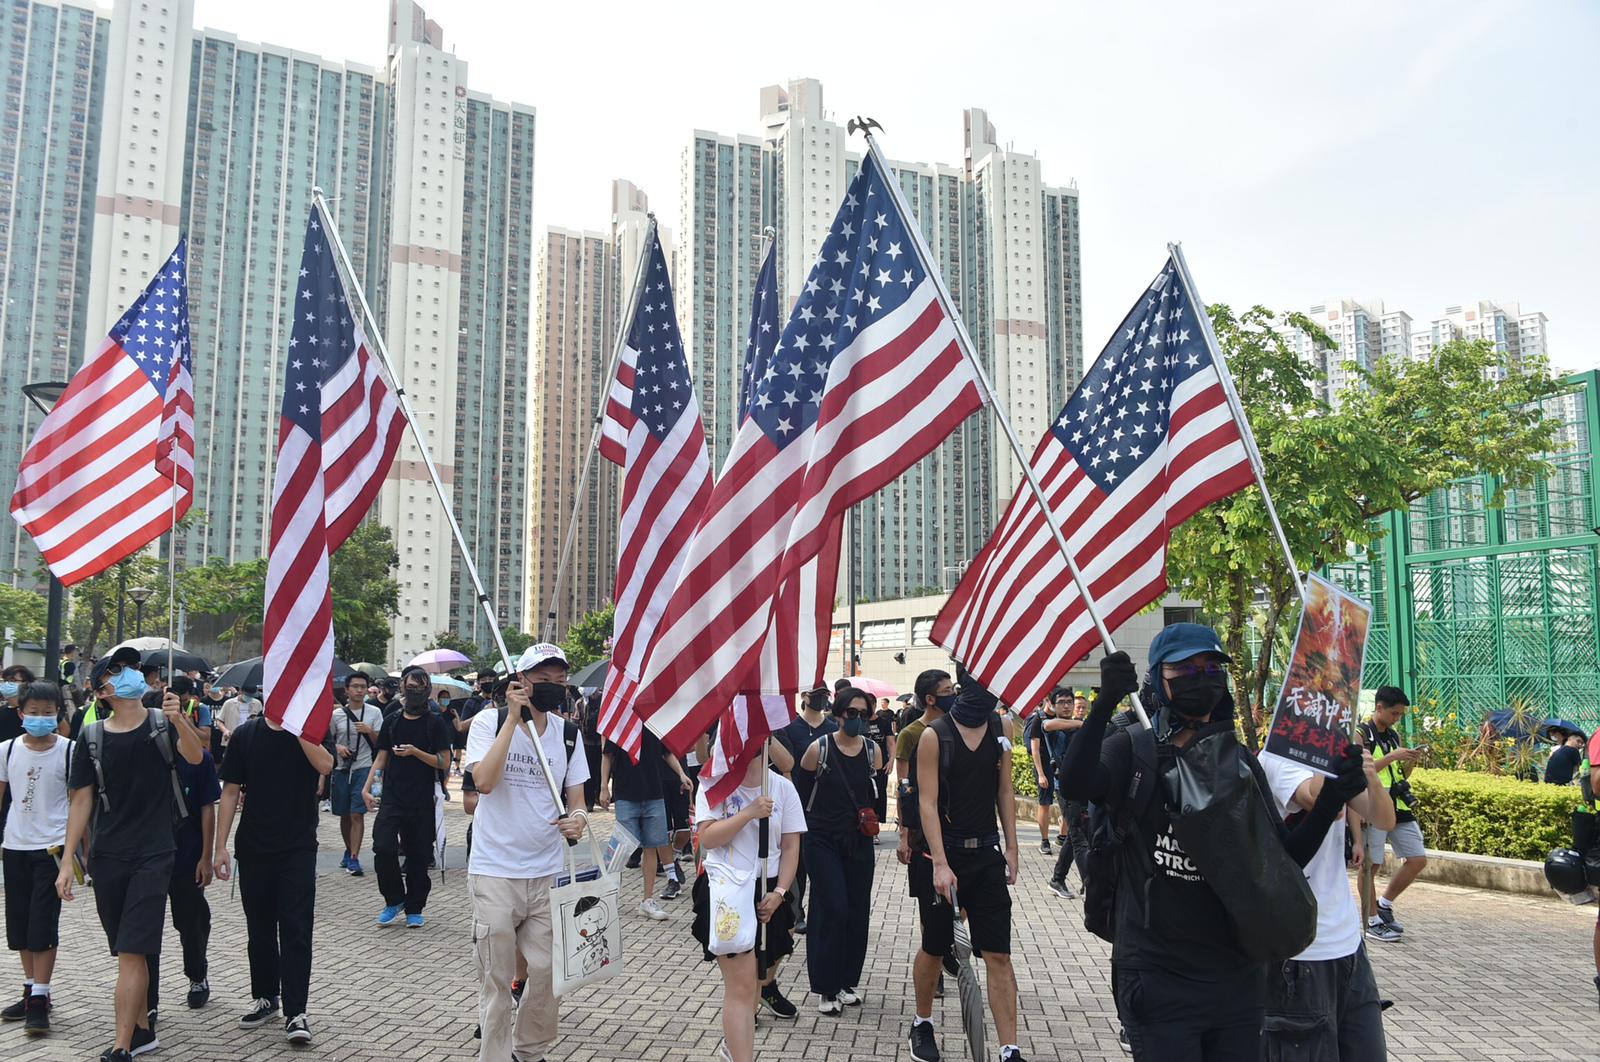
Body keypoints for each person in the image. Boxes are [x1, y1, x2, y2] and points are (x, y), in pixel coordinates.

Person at [1057, 626, 1365, 1061]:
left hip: (1238, 981)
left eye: (1210, 667)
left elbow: (1285, 858)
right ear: (1158, 680)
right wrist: (1104, 701)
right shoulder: (1135, 751)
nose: (1199, 676)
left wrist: (1332, 797)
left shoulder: (1238, 761)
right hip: (1159, 979)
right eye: (1183, 667)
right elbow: (1075, 781)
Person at [56, 646, 205, 1062]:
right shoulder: (91, 736)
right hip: (108, 856)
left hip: (155, 852)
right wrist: (68, 860)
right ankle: (142, 1030)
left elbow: (195, 757)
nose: (130, 675)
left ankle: (122, 1045)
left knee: (132, 949)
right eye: (116, 670)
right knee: (124, 947)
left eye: (132, 668)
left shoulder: (163, 723)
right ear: (101, 690)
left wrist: (180, 720)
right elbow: (81, 801)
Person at [464, 642, 589, 1062]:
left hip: (547, 870)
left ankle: (529, 1050)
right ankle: (495, 1055)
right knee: (496, 977)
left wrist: (578, 819)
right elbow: (483, 782)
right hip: (495, 869)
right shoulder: (488, 722)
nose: (554, 687)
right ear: (521, 682)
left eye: (560, 680)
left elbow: (578, 800)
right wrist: (512, 720)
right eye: (543, 680)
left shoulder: (569, 734)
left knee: (549, 971)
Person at [907, 670, 1023, 1062]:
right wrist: (939, 862)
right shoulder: (932, 736)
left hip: (986, 855)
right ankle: (923, 1022)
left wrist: (1012, 846)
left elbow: (1004, 789)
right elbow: (926, 803)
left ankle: (1010, 1049)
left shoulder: (1000, 725)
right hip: (944, 856)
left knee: (998, 954)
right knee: (936, 948)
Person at [1260, 733, 1396, 1059]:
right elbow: (1318, 800)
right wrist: (1335, 765)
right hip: (1300, 956)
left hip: (1349, 946)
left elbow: (1384, 818)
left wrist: (1371, 776)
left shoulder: (1336, 758)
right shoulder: (1277, 756)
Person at [213, 700, 334, 1044]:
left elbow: (326, 764)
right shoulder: (246, 734)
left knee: (296, 928)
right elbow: (230, 790)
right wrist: (220, 847)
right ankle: (266, 996)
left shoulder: (308, 731)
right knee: (260, 927)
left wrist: (298, 730)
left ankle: (297, 1012)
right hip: (254, 846)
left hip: (297, 847)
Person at [691, 755, 805, 1060]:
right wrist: (749, 813)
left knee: (756, 981)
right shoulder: (713, 784)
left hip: (770, 891)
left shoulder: (781, 788)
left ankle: (733, 1045)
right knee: (741, 986)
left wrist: (780, 892)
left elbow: (791, 845)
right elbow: (708, 838)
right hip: (728, 890)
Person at [798, 685, 880, 1015]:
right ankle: (825, 986)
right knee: (832, 907)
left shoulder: (873, 751)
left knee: (857, 910)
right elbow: (801, 799)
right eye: (851, 714)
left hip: (858, 839)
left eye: (864, 714)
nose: (857, 719)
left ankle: (847, 981)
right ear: (838, 714)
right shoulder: (818, 750)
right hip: (821, 839)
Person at [0, 682, 74, 1035]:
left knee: (42, 924)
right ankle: (31, 989)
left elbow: (80, 803)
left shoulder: (70, 751)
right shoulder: (7, 749)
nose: (41, 718)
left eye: (48, 712)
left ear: (58, 713)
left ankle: (41, 998)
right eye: (34, 712)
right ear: (20, 713)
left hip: (52, 850)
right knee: (19, 926)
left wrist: (75, 858)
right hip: (14, 847)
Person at [363, 665, 452, 928]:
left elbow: (443, 761)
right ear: (401, 687)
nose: (413, 692)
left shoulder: (435, 722)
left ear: (427, 690)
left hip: (422, 798)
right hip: (392, 796)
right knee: (383, 845)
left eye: (419, 687)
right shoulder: (392, 719)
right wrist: (367, 787)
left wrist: (416, 752)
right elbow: (382, 756)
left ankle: (415, 906)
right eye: (409, 686)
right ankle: (393, 899)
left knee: (418, 854)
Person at [144, 737, 221, 1021]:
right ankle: (148, 999)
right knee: (145, 930)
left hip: (187, 858)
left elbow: (207, 807)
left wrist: (206, 856)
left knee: (192, 924)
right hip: (147, 859)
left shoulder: (198, 759)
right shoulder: (140, 754)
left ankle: (197, 974)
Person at [897, 668, 955, 1004]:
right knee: (929, 906)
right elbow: (904, 789)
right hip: (921, 832)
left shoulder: (955, 729)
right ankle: (932, 973)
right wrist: (904, 835)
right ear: (930, 698)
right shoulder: (911, 733)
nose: (953, 694)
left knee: (957, 905)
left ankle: (945, 950)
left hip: (954, 829)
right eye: (947, 690)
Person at [1359, 686, 1427, 942]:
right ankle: (1372, 921)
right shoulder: (1361, 734)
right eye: (1394, 713)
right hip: (1374, 804)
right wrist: (1391, 756)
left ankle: (1384, 904)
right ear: (1379, 708)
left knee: (1417, 858)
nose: (1397, 718)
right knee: (1371, 865)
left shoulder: (1393, 736)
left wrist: (1409, 760)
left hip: (1397, 804)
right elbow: (1360, 770)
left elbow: (1400, 774)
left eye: (1400, 715)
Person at [600, 727, 690, 917]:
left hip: (654, 794)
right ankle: (608, 894)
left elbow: (666, 753)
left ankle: (647, 901)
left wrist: (681, 773)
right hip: (625, 793)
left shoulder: (654, 723)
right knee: (621, 847)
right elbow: (607, 755)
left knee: (652, 846)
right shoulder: (621, 722)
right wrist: (603, 787)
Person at [775, 687, 838, 935]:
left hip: (828, 804)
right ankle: (796, 910)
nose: (820, 698)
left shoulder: (833, 727)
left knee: (823, 861)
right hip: (799, 803)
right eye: (815, 693)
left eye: (823, 693)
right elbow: (787, 769)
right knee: (797, 860)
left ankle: (824, 911)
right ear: (804, 697)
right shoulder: (790, 727)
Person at [330, 674, 383, 876]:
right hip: (342, 768)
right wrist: (338, 748)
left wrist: (370, 731)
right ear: (347, 690)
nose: (359, 690)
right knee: (344, 814)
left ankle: (354, 857)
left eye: (363, 687)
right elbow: (328, 740)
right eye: (355, 687)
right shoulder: (337, 715)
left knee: (356, 813)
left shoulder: (374, 712)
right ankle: (348, 849)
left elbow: (382, 741)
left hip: (365, 766)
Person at [1046, 689, 1088, 898]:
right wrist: (1082, 724)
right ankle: (1090, 885)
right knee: (1079, 836)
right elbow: (1048, 725)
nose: (1066, 706)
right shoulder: (1054, 725)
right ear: (1053, 705)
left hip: (1082, 787)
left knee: (1075, 836)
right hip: (1063, 788)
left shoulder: (1076, 726)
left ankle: (1058, 879)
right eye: (1061, 702)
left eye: (1069, 702)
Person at [1024, 698, 1059, 855]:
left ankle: (1063, 837)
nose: (1064, 705)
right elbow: (1034, 749)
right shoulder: (1038, 718)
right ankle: (1044, 840)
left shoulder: (1063, 718)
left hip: (1061, 767)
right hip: (1044, 767)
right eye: (1058, 701)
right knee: (1045, 803)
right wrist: (1040, 774)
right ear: (1047, 700)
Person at [868, 697, 896, 840]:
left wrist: (891, 761)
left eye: (871, 704)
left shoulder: (883, 722)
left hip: (880, 766)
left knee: (879, 796)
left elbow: (891, 742)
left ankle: (875, 830)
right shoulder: (858, 722)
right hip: (862, 766)